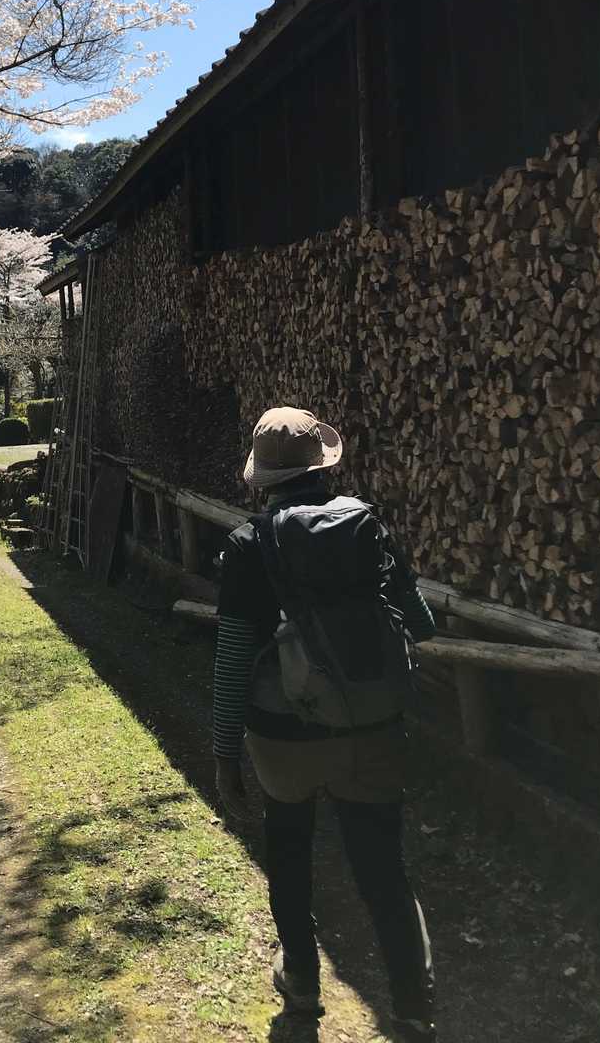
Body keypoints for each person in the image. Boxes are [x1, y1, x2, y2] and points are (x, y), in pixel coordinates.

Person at [213, 406, 437, 1041]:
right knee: (383, 869)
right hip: (369, 726)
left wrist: (225, 754)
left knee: (289, 856)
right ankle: (413, 1008)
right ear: (322, 466)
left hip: (282, 736)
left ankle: (303, 991)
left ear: (263, 478)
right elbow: (421, 623)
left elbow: (233, 659)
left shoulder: (248, 544)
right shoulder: (366, 525)